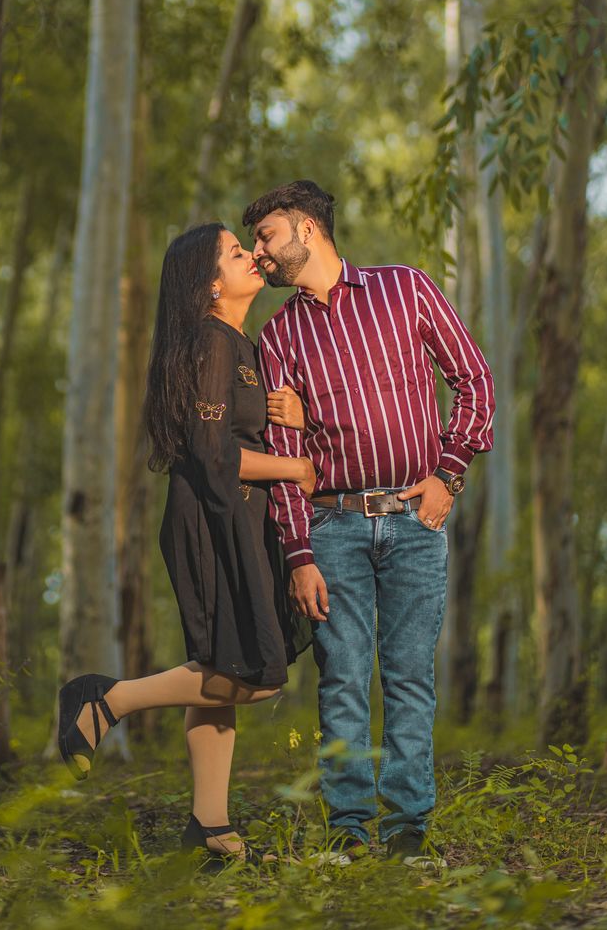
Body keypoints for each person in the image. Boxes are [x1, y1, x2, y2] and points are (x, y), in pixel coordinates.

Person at [245, 181, 495, 866]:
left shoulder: (406, 288)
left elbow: (474, 379)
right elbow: (287, 455)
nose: (259, 253)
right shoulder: (278, 337)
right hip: (334, 528)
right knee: (344, 677)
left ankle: (408, 833)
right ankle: (350, 832)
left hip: (417, 521)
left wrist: (448, 474)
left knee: (411, 676)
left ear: (305, 227)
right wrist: (298, 553)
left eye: (266, 236)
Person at [56, 223, 312, 865]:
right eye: (236, 252)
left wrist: (293, 419)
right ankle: (105, 698)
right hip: (211, 520)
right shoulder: (212, 341)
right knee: (251, 675)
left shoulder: (235, 343)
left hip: (235, 518)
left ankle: (211, 827)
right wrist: (295, 469)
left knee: (221, 665)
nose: (253, 256)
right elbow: (212, 451)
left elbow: (237, 434)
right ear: (209, 284)